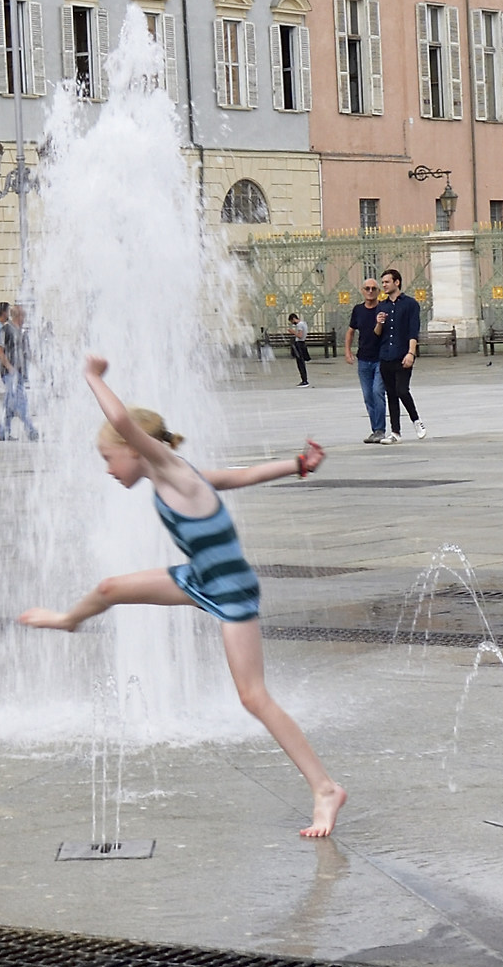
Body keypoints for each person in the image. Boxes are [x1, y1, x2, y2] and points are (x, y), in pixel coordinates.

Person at [19, 356, 344, 838]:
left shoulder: (169, 469)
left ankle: (325, 788)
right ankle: (70, 619)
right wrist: (297, 465)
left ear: (134, 450)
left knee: (253, 697)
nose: (107, 469)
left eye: (109, 458)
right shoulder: (180, 474)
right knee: (109, 588)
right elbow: (244, 475)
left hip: (230, 589)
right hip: (199, 577)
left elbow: (121, 420)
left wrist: (92, 378)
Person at [379, 269, 427, 441]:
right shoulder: (382, 306)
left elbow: (413, 331)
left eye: (387, 282)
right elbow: (378, 333)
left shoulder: (410, 304)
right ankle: (395, 432)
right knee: (391, 394)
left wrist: (411, 353)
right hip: (386, 355)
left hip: (402, 354)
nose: (384, 285)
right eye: (383, 282)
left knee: (402, 390)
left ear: (397, 282)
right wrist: (379, 323)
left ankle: (416, 420)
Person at [346, 279, 390, 444]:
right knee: (368, 396)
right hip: (363, 359)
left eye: (373, 288)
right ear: (362, 290)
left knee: (377, 392)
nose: (370, 291)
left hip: (380, 358)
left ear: (378, 291)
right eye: (367, 288)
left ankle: (380, 430)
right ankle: (375, 429)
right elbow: (350, 331)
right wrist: (347, 351)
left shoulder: (383, 309)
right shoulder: (358, 310)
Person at [0, 303, 41, 441]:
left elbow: (27, 352)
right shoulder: (6, 330)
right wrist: (8, 366)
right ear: (19, 316)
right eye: (24, 316)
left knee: (10, 404)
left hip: (20, 373)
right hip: (10, 373)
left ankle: (3, 432)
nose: (25, 319)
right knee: (21, 401)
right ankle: (31, 431)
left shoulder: (22, 332)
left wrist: (39, 367)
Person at [287, 313, 311, 388]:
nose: (292, 323)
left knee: (300, 363)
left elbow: (300, 335)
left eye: (292, 321)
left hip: (299, 344)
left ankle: (304, 380)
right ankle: (304, 379)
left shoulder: (299, 325)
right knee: (301, 362)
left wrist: (292, 332)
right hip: (302, 343)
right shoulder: (304, 323)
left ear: (294, 319)